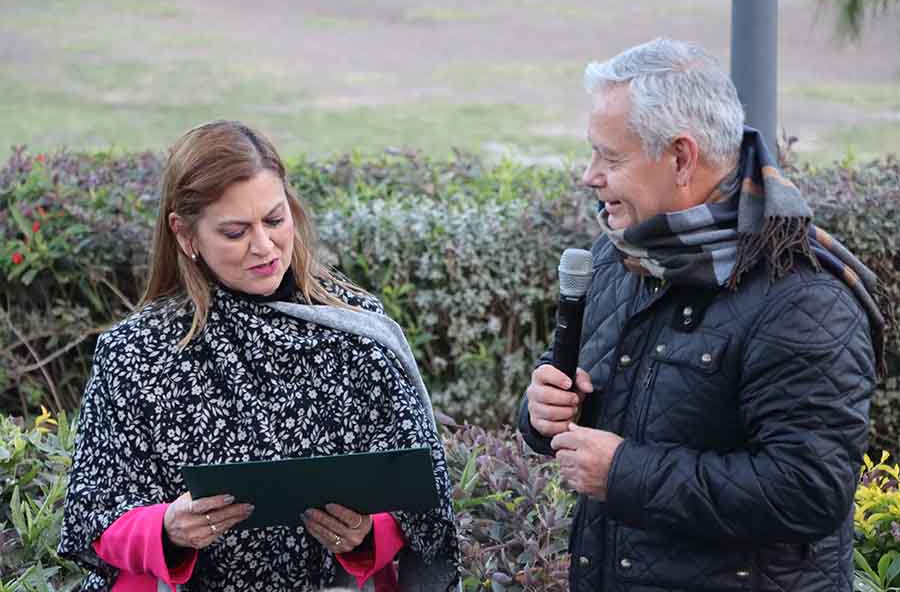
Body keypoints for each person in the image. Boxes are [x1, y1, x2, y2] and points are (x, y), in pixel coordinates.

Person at [518, 38, 886, 592]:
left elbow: (808, 490)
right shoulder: (621, 255)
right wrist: (545, 408)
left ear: (682, 157)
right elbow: (615, 409)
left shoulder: (803, 297)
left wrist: (623, 474)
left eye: (611, 157)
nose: (589, 176)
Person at [59, 120, 460, 592]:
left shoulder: (360, 329)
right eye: (234, 232)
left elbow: (422, 505)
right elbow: (95, 513)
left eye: (274, 219)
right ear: (185, 235)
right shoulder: (136, 352)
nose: (264, 247)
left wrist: (370, 535)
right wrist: (167, 528)